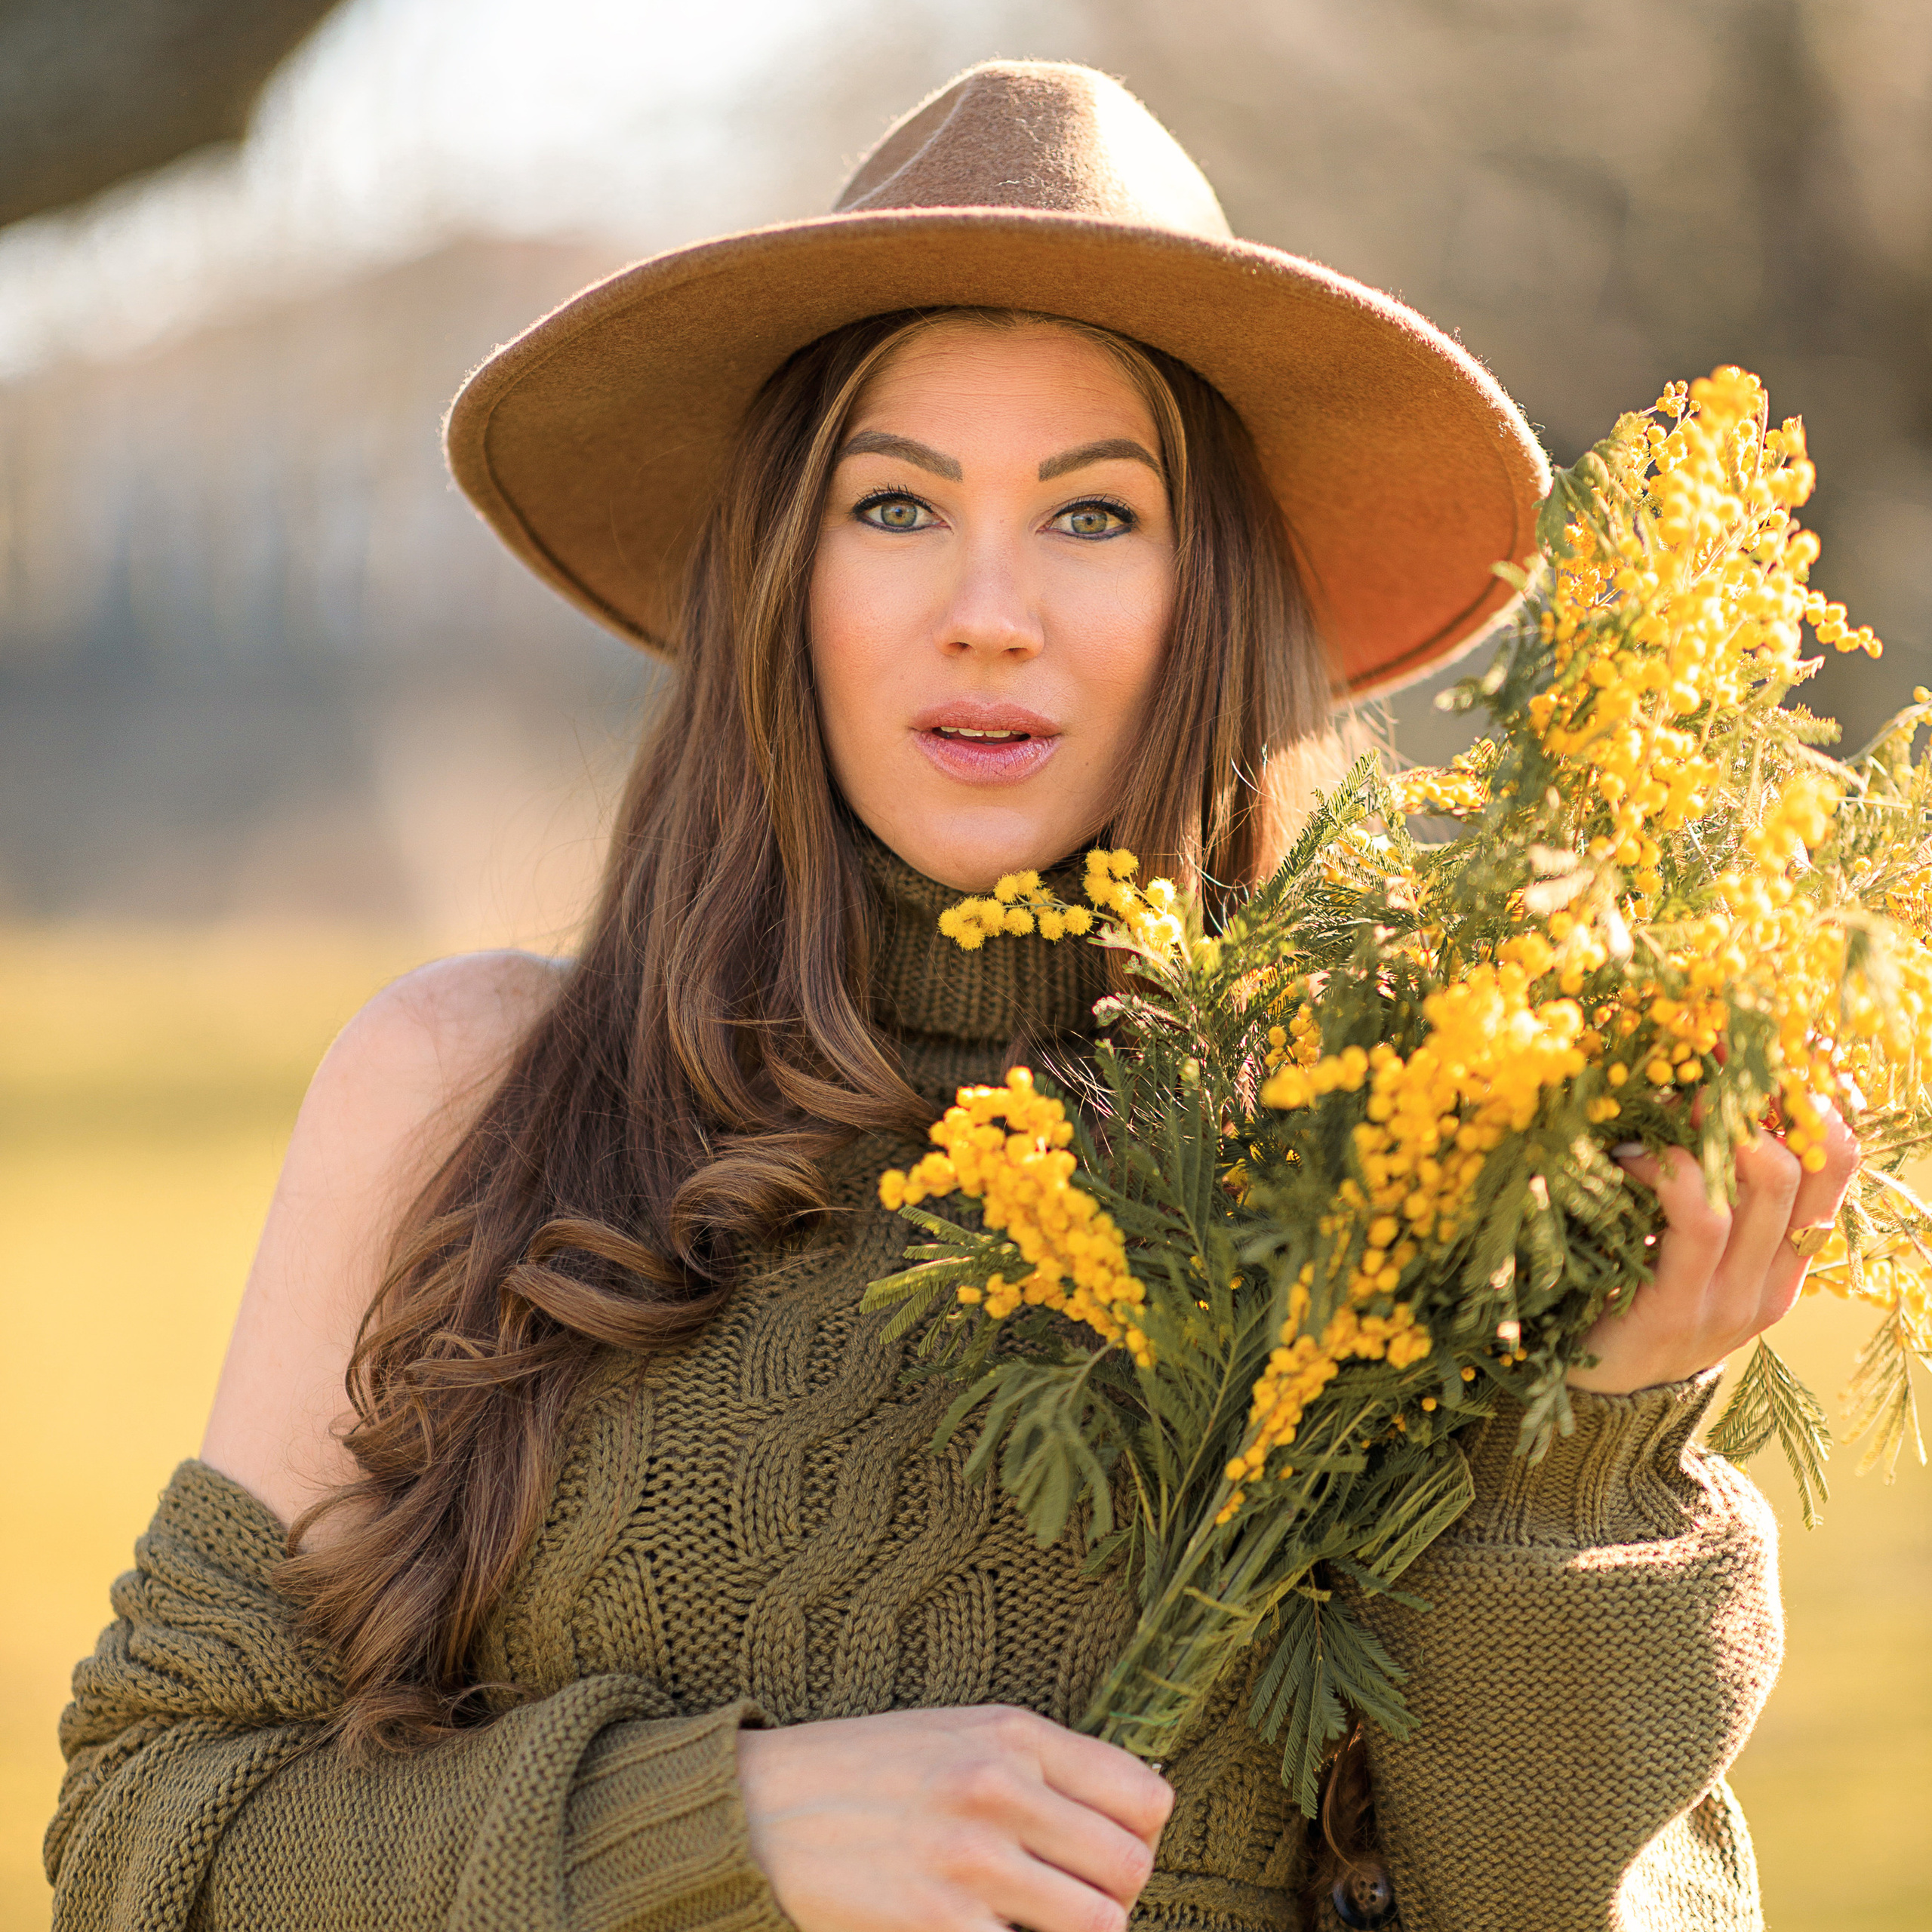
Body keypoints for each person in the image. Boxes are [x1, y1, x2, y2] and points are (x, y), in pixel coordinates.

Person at [48, 61, 1857, 1932]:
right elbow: (149, 1844)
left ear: (1204, 591)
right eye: (895, 507)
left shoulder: (1400, 1164)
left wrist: (1581, 1455)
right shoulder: (466, 1091)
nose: (988, 606)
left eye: (1092, 519)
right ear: (782, 574)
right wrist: (722, 1824)